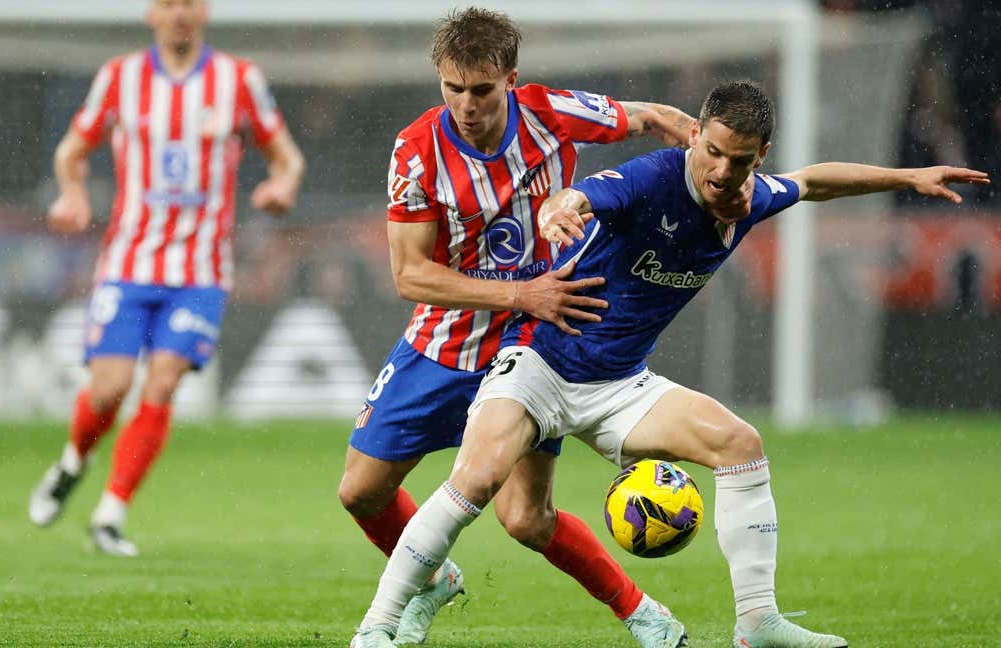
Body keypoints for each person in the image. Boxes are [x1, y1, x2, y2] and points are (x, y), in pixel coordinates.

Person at [351, 80, 989, 647]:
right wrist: (557, 208)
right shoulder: (653, 178)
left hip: (620, 386)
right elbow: (580, 196)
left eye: (737, 161)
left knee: (740, 443)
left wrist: (907, 178)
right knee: (481, 481)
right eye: (710, 152)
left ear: (756, 158)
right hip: (539, 364)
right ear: (695, 137)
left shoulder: (752, 196)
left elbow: (814, 181)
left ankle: (758, 624)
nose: (719, 171)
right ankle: (377, 626)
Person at [342, 8, 748, 647]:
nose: (466, 104)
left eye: (481, 89)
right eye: (452, 88)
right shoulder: (417, 151)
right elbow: (410, 276)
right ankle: (434, 580)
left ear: (510, 78)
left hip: (541, 343)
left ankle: (645, 616)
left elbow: (647, 117)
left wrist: (698, 161)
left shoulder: (550, 111)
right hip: (447, 339)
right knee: (361, 492)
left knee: (526, 519)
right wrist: (518, 292)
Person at [27, 0, 305, 557]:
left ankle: (110, 513)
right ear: (152, 12)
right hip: (129, 262)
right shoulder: (119, 77)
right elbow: (71, 150)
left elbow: (287, 156)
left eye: (190, 3)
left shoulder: (239, 80)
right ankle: (73, 461)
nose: (180, 13)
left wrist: (282, 187)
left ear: (204, 12)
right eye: (169, 3)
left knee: (162, 383)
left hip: (201, 270)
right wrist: (74, 193)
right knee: (108, 388)